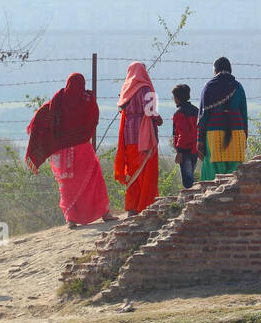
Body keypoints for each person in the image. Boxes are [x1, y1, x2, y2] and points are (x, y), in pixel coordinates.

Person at [24, 72, 115, 227]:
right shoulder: (86, 100)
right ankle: (104, 213)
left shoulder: (58, 101)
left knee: (67, 186)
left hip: (62, 151)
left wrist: (35, 127)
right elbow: (94, 117)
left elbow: (41, 116)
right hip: (83, 150)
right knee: (94, 181)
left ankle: (71, 219)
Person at [113, 61, 162, 215]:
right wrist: (159, 119)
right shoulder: (145, 88)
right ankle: (145, 204)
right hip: (144, 135)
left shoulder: (126, 89)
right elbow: (150, 111)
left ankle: (132, 206)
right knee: (146, 171)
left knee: (133, 170)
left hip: (129, 135)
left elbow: (121, 108)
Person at [197, 57, 248, 181]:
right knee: (234, 175)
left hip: (214, 135)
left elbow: (203, 116)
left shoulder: (209, 87)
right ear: (230, 69)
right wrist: (244, 136)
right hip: (236, 134)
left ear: (215, 70)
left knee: (212, 173)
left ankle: (209, 199)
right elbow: (244, 114)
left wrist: (200, 139)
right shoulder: (238, 87)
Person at [171, 84, 200, 189]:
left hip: (185, 151)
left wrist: (179, 151)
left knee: (188, 181)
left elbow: (183, 134)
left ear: (177, 98)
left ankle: (191, 201)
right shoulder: (196, 110)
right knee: (191, 175)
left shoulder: (179, 113)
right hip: (195, 149)